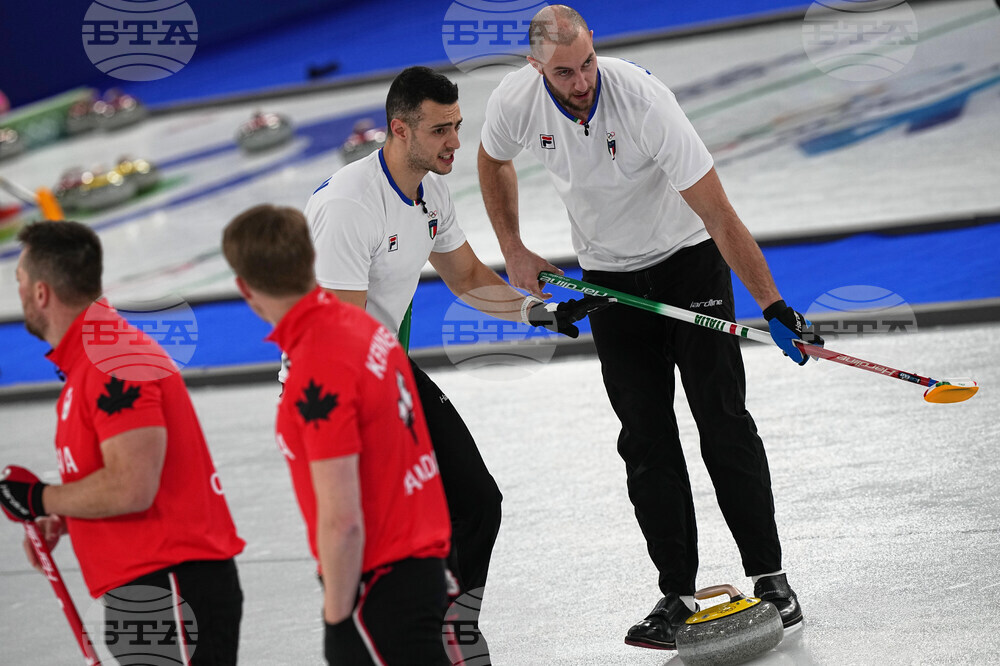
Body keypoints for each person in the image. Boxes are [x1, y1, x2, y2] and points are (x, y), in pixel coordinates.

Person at [477, 5, 825, 650]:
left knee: (722, 419)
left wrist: (773, 305)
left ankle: (771, 576)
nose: (580, 82)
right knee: (645, 438)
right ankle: (678, 593)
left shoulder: (645, 103)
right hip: (609, 280)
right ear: (534, 66)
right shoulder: (516, 100)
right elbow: (492, 160)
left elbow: (720, 216)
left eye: (586, 64)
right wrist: (513, 246)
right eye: (563, 71)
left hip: (689, 266)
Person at [303, 66, 607, 621]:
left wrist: (540, 313)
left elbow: (465, 276)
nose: (456, 143)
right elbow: (336, 335)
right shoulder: (349, 205)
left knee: (476, 505)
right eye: (441, 130)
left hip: (386, 370)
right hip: (335, 389)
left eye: (458, 125)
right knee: (381, 536)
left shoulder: (431, 191)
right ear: (400, 130)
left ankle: (453, 627)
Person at [0, 220, 245, 665]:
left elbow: (132, 486)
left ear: (41, 293)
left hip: (169, 587)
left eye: (18, 280)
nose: (16, 293)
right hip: (149, 588)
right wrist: (65, 512)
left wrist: (41, 499)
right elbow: (117, 473)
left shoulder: (112, 359)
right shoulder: (92, 359)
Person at [222, 204, 454, 665]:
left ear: (245, 289)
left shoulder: (314, 372)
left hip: (378, 584)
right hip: (423, 563)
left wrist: (337, 619)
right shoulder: (366, 328)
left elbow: (343, 521)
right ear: (310, 259)